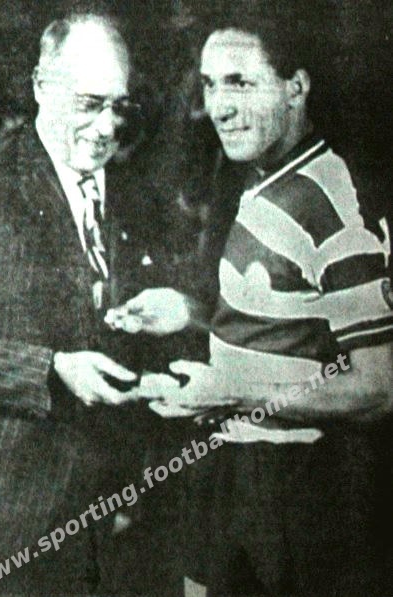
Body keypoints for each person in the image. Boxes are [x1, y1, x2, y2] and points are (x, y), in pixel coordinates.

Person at [109, 7, 393, 597]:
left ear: (296, 87)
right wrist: (189, 313)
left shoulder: (333, 202)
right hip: (231, 477)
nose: (219, 107)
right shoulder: (263, 175)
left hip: (300, 498)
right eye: (211, 85)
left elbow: (378, 387)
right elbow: (290, 323)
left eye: (240, 82)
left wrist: (236, 393)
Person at [0, 12, 158, 597]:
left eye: (119, 106)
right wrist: (54, 369)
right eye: (89, 104)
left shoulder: (133, 194)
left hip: (99, 520)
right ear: (40, 86)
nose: (107, 127)